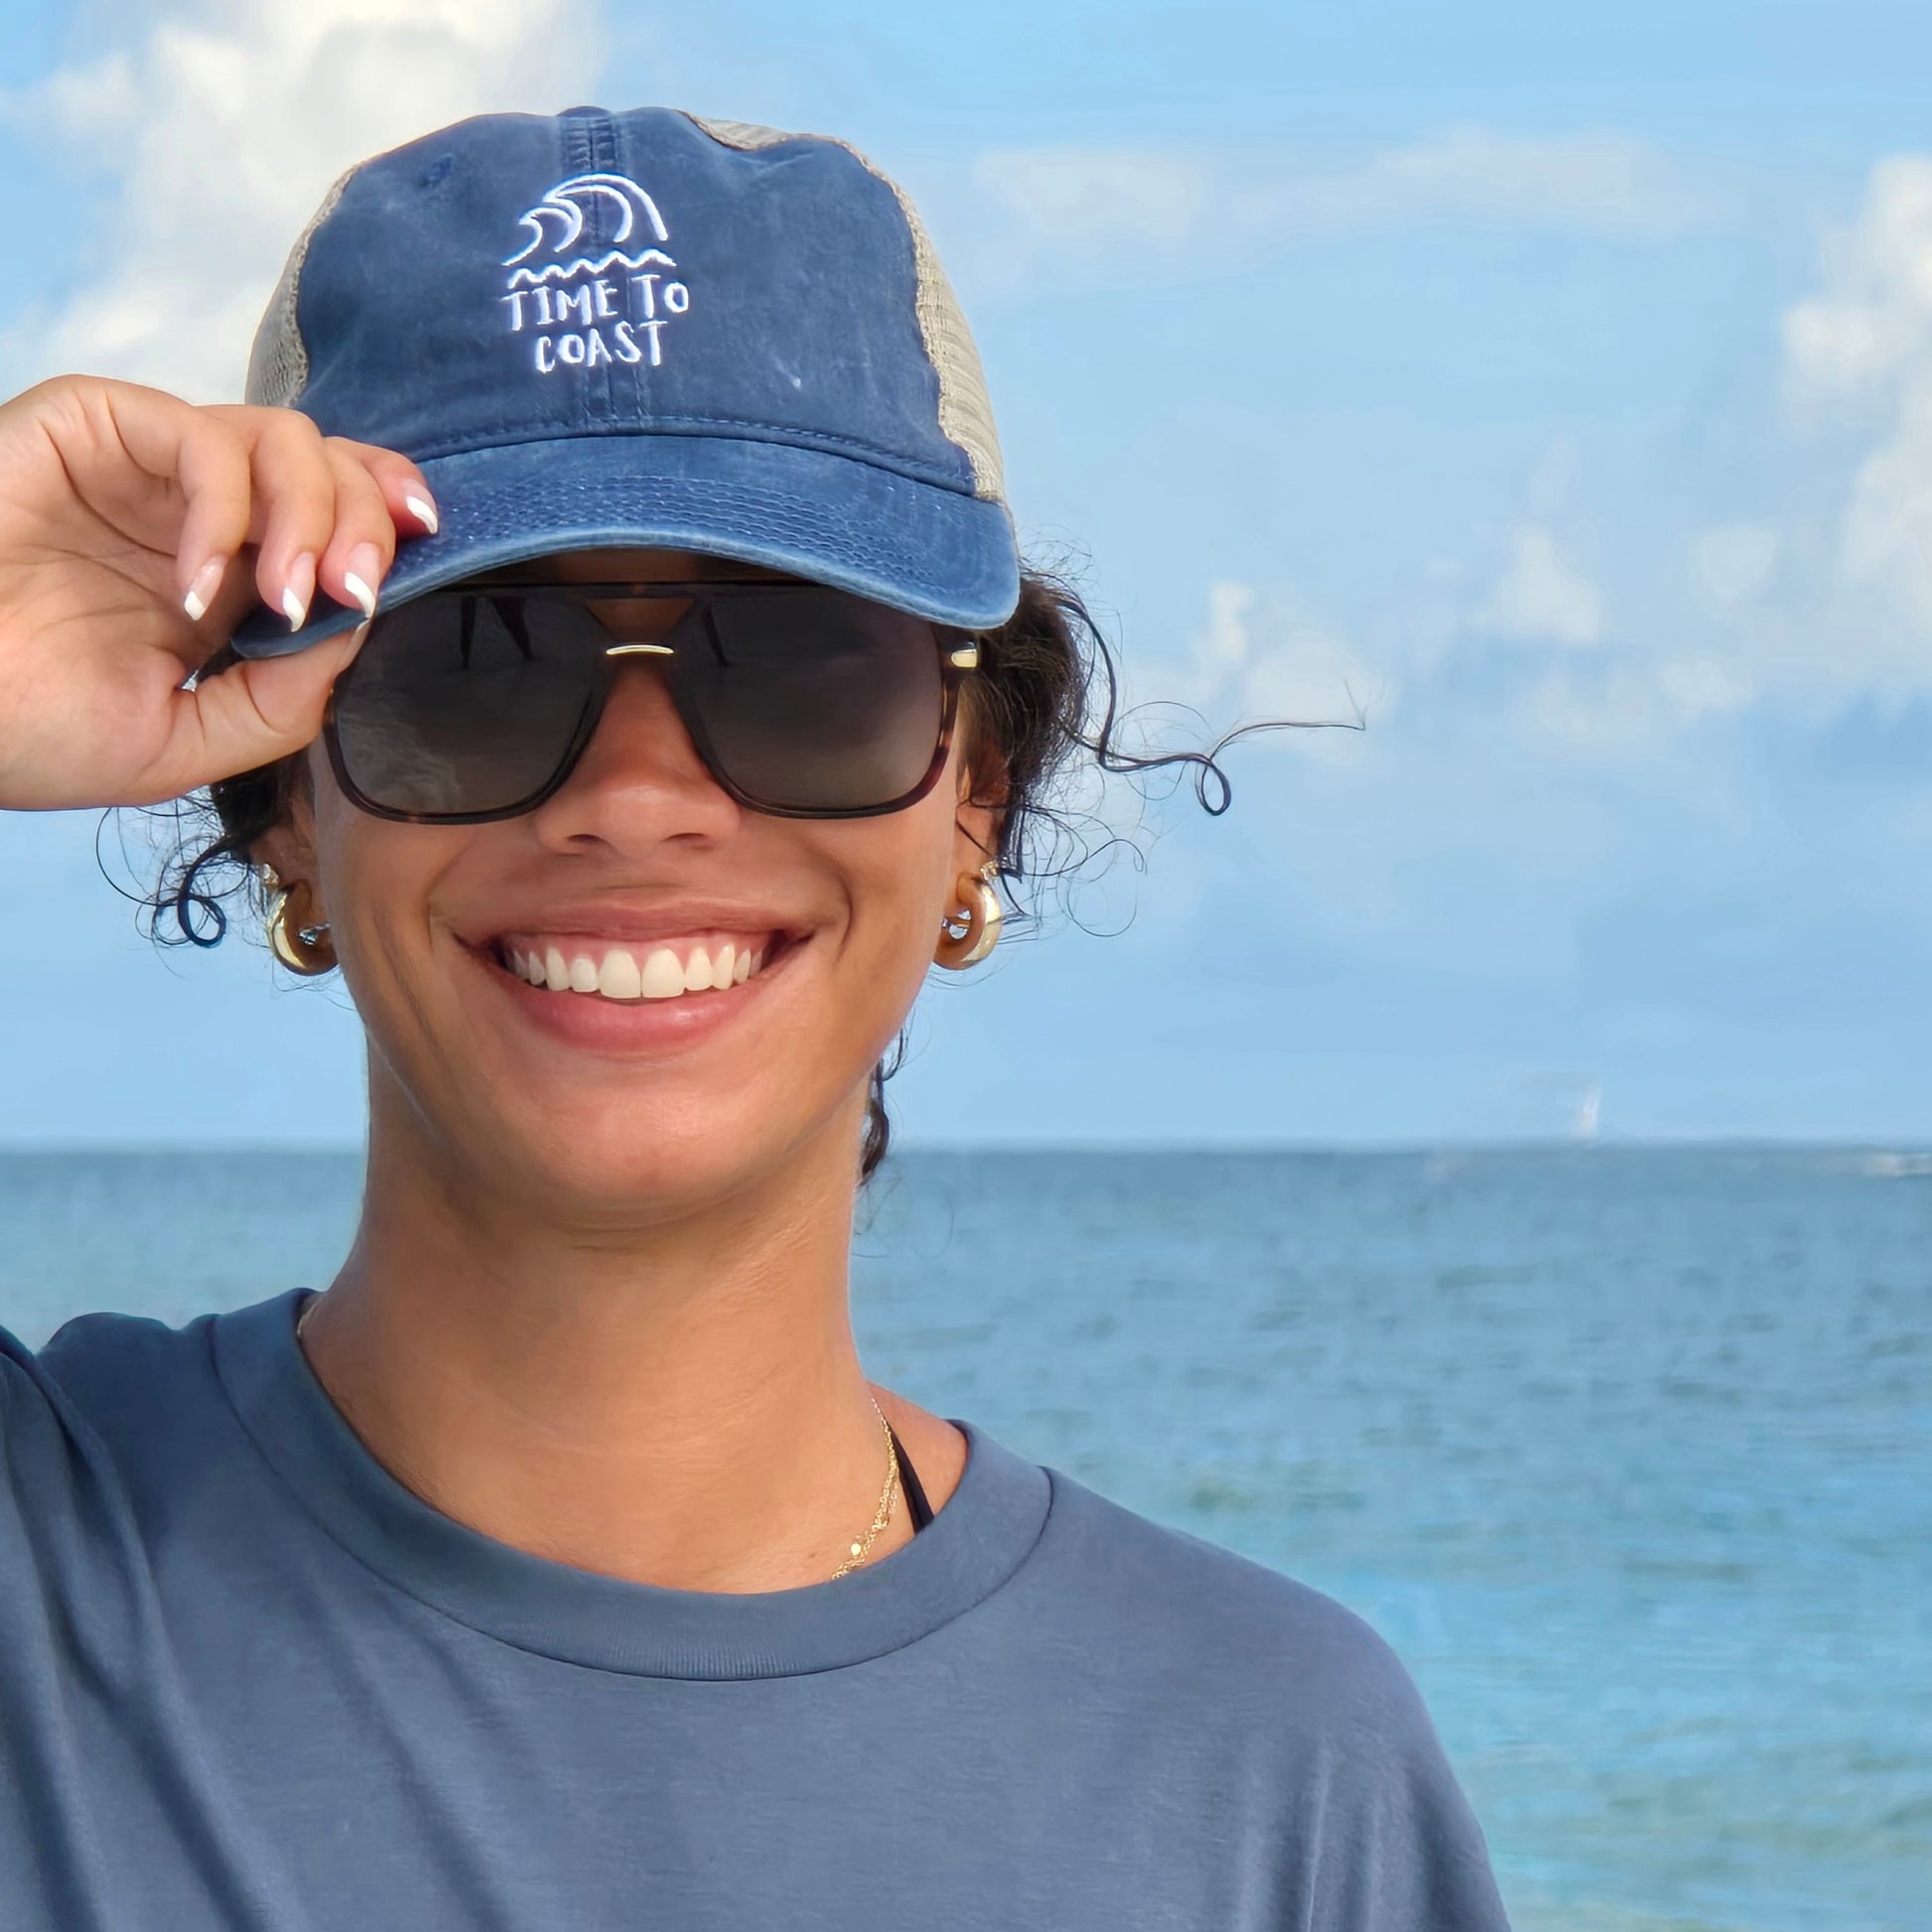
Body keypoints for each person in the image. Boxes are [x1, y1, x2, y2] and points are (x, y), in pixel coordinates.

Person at [0, 105, 1513, 1929]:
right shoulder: (39, 1587)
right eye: (474, 664)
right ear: (285, 810)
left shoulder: (1273, 1778)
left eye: (797, 661)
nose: (638, 797)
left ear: (972, 791)